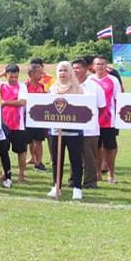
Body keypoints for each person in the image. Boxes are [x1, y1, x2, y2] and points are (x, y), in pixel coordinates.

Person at [45, 62, 85, 200]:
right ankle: (56, 186)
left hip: (74, 132)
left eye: (65, 70)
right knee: (56, 160)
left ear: (70, 72)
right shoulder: (52, 89)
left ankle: (77, 188)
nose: (62, 73)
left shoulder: (78, 89)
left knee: (76, 160)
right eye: (60, 70)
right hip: (56, 131)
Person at [74, 59, 108, 190]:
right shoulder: (69, 86)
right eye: (73, 68)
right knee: (74, 156)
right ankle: (74, 181)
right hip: (73, 128)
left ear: (85, 69)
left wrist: (90, 119)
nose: (75, 70)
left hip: (90, 129)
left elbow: (102, 107)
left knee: (90, 158)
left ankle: (90, 182)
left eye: (77, 68)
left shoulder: (95, 87)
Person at [89, 56, 120, 184]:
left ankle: (111, 174)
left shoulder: (113, 80)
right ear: (93, 66)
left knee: (110, 148)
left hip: (109, 120)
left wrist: (118, 117)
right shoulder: (89, 80)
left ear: (106, 65)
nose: (100, 66)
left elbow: (118, 99)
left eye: (102, 64)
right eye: (97, 64)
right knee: (96, 148)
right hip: (94, 121)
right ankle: (97, 173)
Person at [0, 64, 29, 184]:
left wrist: (5, 102)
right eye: (11, 76)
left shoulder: (22, 86)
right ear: (6, 75)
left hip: (18, 125)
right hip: (3, 124)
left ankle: (21, 174)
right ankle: (4, 173)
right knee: (3, 150)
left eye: (16, 77)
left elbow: (22, 102)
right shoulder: (0, 85)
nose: (13, 79)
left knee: (21, 151)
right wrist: (1, 73)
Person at [25, 62, 50, 171]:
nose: (42, 75)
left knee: (39, 140)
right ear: (32, 73)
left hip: (39, 118)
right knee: (28, 141)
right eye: (39, 73)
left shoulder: (41, 86)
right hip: (27, 118)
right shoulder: (25, 86)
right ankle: (29, 160)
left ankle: (38, 163)